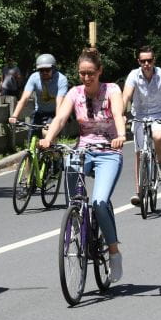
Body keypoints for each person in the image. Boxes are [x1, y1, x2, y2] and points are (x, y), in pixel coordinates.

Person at [40, 48, 128, 282]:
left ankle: (113, 251)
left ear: (100, 71)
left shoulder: (112, 90)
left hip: (109, 150)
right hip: (84, 149)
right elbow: (60, 118)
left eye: (91, 73)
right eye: (82, 74)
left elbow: (118, 114)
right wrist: (49, 137)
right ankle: (76, 217)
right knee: (69, 165)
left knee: (99, 201)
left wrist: (120, 134)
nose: (86, 78)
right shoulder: (74, 93)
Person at [122, 46, 161, 206]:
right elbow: (126, 95)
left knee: (158, 136)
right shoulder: (133, 75)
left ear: (154, 60)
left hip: (158, 114)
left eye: (149, 60)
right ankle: (139, 193)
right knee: (139, 154)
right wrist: (121, 114)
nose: (146, 64)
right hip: (139, 115)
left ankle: (160, 161)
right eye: (143, 61)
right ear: (138, 61)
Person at [8, 53, 69, 126]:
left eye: (47, 70)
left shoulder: (61, 80)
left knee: (46, 132)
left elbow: (60, 103)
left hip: (55, 113)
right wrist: (15, 116)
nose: (44, 72)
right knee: (32, 135)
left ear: (53, 69)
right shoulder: (34, 77)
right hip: (39, 112)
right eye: (41, 70)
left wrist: (57, 121)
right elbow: (24, 98)